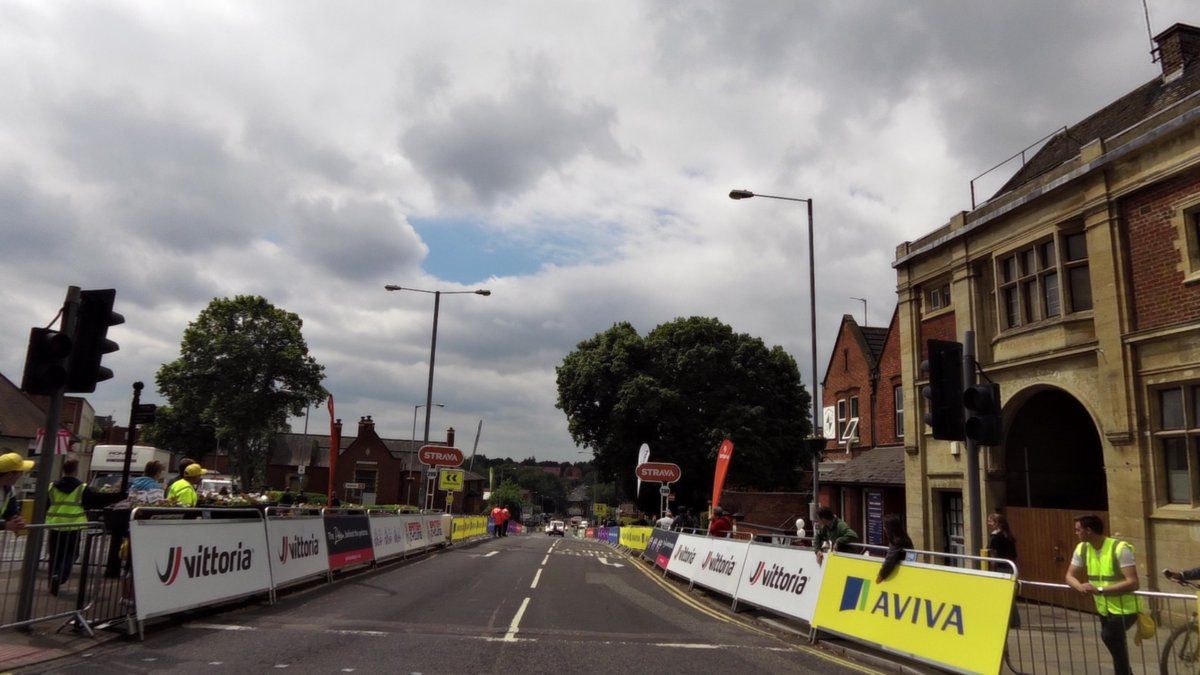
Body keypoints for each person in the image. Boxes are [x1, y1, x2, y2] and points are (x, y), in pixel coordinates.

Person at [1065, 514, 1139, 675]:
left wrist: (1099, 590)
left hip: (1126, 609)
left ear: (1088, 530)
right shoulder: (1082, 549)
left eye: (1078, 530)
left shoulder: (1120, 549)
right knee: (1116, 644)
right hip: (1105, 609)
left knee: (1109, 636)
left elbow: (1133, 582)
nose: (1076, 533)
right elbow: (1069, 576)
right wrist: (1079, 587)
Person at [46, 457, 126, 594]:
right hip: (73, 526)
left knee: (55, 555)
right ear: (76, 471)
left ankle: (53, 579)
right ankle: (59, 576)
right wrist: (118, 496)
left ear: (64, 470)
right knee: (71, 554)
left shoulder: (52, 486)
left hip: (54, 525)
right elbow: (93, 502)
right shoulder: (81, 488)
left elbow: (47, 503)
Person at [988, 512, 1021, 627]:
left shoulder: (996, 537)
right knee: (1009, 595)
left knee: (1004, 595)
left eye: (991, 522)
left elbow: (990, 551)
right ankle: (1013, 621)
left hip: (1001, 567)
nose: (989, 524)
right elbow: (1014, 555)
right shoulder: (1009, 536)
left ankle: (1012, 621)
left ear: (996, 523)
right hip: (1011, 567)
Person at [875, 514, 916, 583]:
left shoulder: (896, 541)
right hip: (908, 570)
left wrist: (881, 575)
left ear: (890, 528)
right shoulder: (904, 537)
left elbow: (890, 560)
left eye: (885, 526)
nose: (884, 529)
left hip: (902, 575)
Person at [0, 452, 33, 532]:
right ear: (10, 474)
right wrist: (5, 525)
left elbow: (11, 511)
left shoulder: (9, 489)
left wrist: (17, 519)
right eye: (20, 472)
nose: (21, 475)